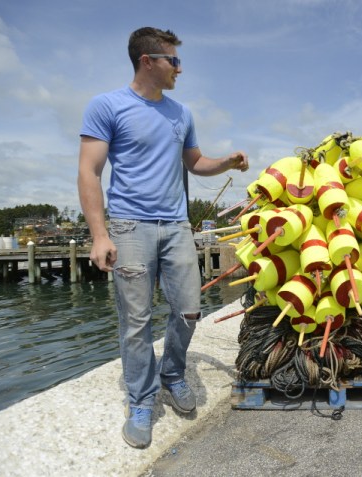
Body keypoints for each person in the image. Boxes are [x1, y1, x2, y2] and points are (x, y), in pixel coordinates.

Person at [77, 27, 249, 449]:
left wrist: (224, 162)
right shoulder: (107, 106)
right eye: (173, 60)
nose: (180, 68)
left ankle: (172, 372)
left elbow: (195, 163)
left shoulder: (181, 113)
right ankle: (141, 398)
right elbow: (89, 172)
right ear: (147, 61)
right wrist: (98, 235)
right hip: (128, 226)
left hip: (176, 227)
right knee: (135, 323)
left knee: (189, 310)